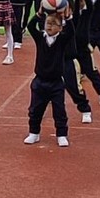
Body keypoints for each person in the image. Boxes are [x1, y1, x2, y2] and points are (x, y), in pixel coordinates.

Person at [24, 9, 73, 147]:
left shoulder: (62, 40)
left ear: (60, 27)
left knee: (59, 111)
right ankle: (34, 133)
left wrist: (67, 17)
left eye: (54, 23)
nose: (50, 26)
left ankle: (61, 135)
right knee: (35, 110)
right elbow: (30, 26)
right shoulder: (40, 37)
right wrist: (39, 13)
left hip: (56, 83)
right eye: (48, 23)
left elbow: (71, 32)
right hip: (39, 81)